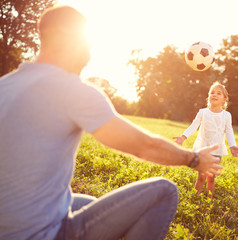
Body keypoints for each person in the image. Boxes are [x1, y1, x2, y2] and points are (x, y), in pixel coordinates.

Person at [0, 5, 222, 240]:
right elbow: (142, 145)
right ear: (66, 39)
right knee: (164, 191)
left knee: (88, 203)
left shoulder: (5, 85)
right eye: (86, 46)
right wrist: (194, 159)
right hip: (43, 234)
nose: (88, 56)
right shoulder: (71, 89)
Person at [173, 82, 238, 198]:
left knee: (211, 178)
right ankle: (195, 197)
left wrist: (232, 145)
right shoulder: (203, 112)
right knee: (201, 176)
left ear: (224, 100)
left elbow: (229, 131)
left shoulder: (226, 115)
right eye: (212, 92)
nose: (214, 95)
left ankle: (209, 200)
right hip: (203, 149)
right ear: (208, 96)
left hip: (217, 150)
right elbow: (194, 126)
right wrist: (183, 137)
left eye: (218, 93)